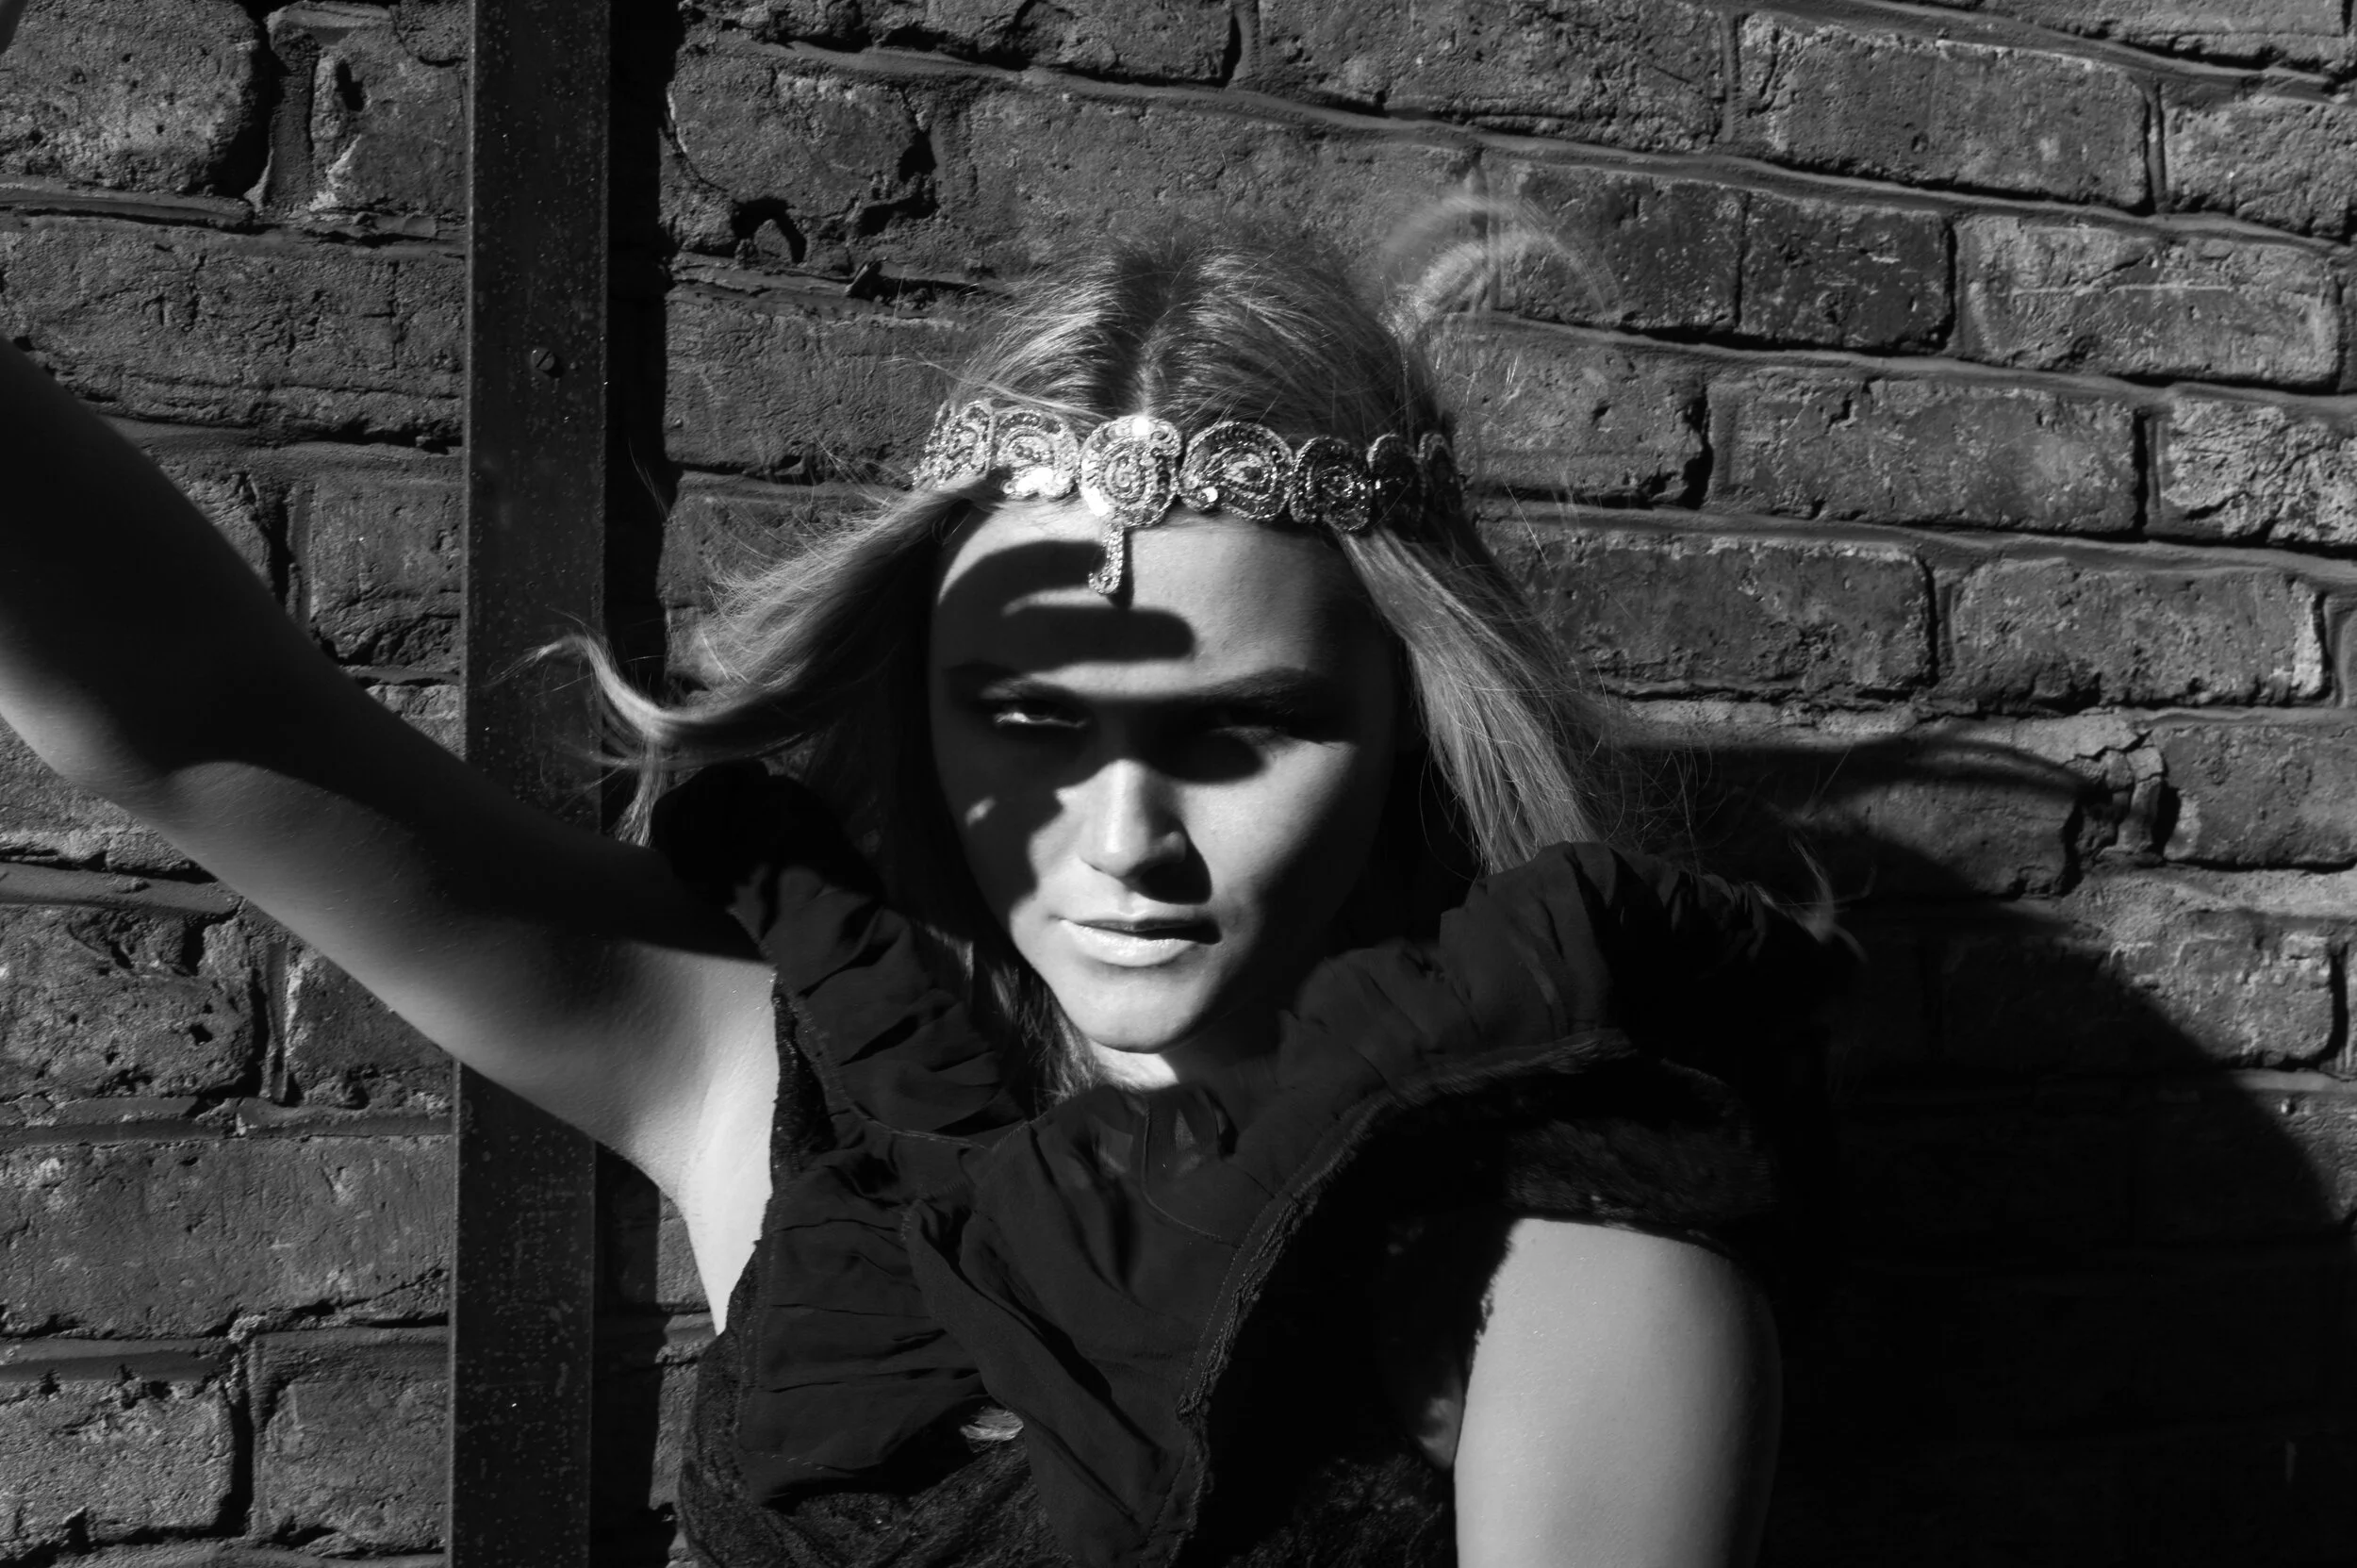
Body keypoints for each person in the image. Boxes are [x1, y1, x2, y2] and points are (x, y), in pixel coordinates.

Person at [0, 12, 1846, 1556]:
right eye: (1027, 721)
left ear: (1408, 728)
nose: (1122, 844)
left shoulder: (1559, 1267)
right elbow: (195, 717)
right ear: (921, 707)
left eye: (1236, 732)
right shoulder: (788, 1073)